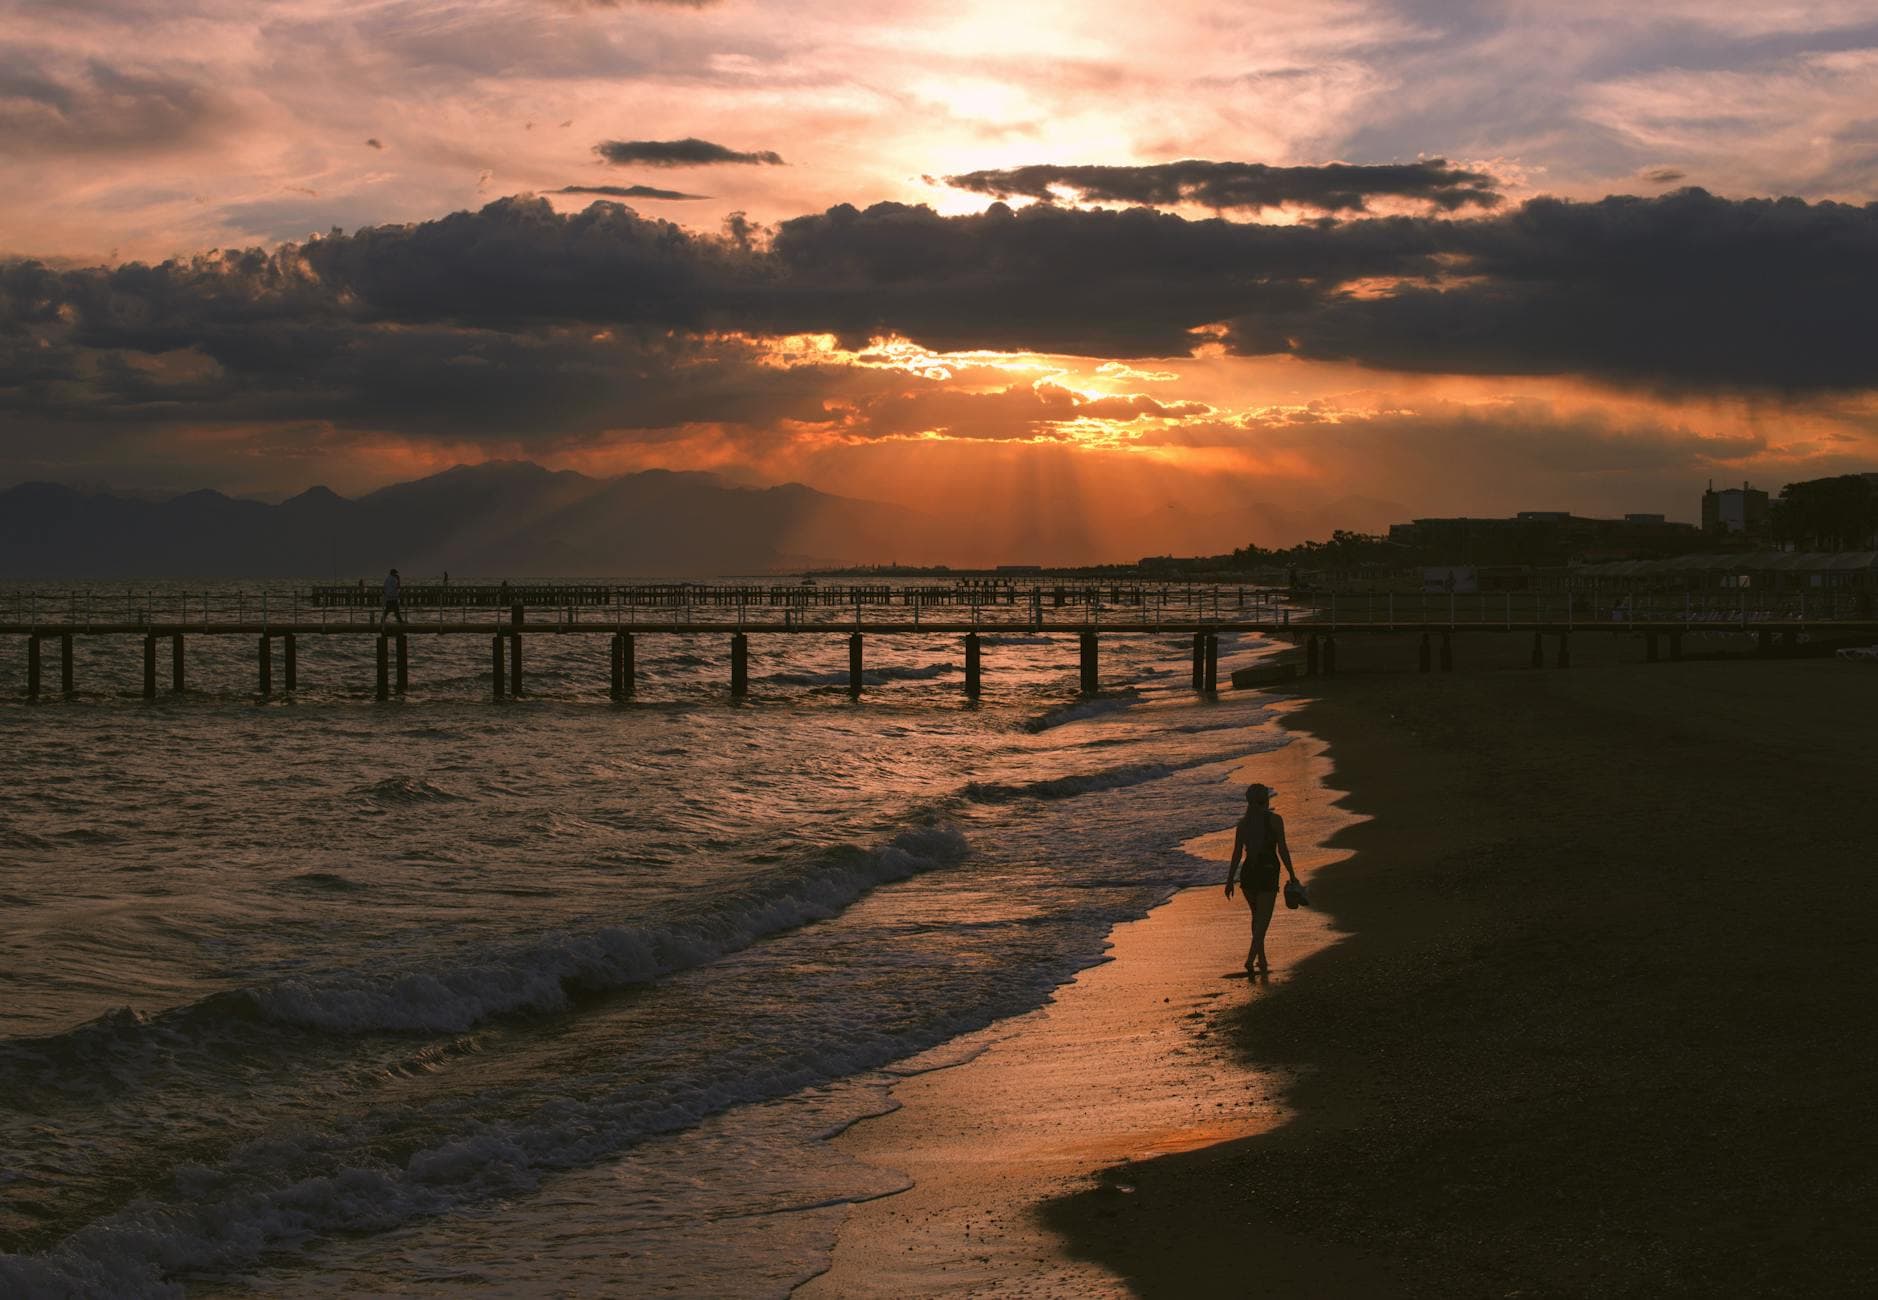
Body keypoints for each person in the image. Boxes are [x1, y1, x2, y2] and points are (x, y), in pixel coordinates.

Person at [1224, 782, 1297, 975]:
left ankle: (1261, 958)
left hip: (1248, 873)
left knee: (1257, 917)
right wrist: (1292, 873)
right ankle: (1250, 958)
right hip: (1267, 871)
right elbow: (1282, 849)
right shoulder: (1275, 820)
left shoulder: (1243, 824)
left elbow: (1237, 854)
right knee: (1263, 920)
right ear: (1266, 800)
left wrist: (1230, 880)